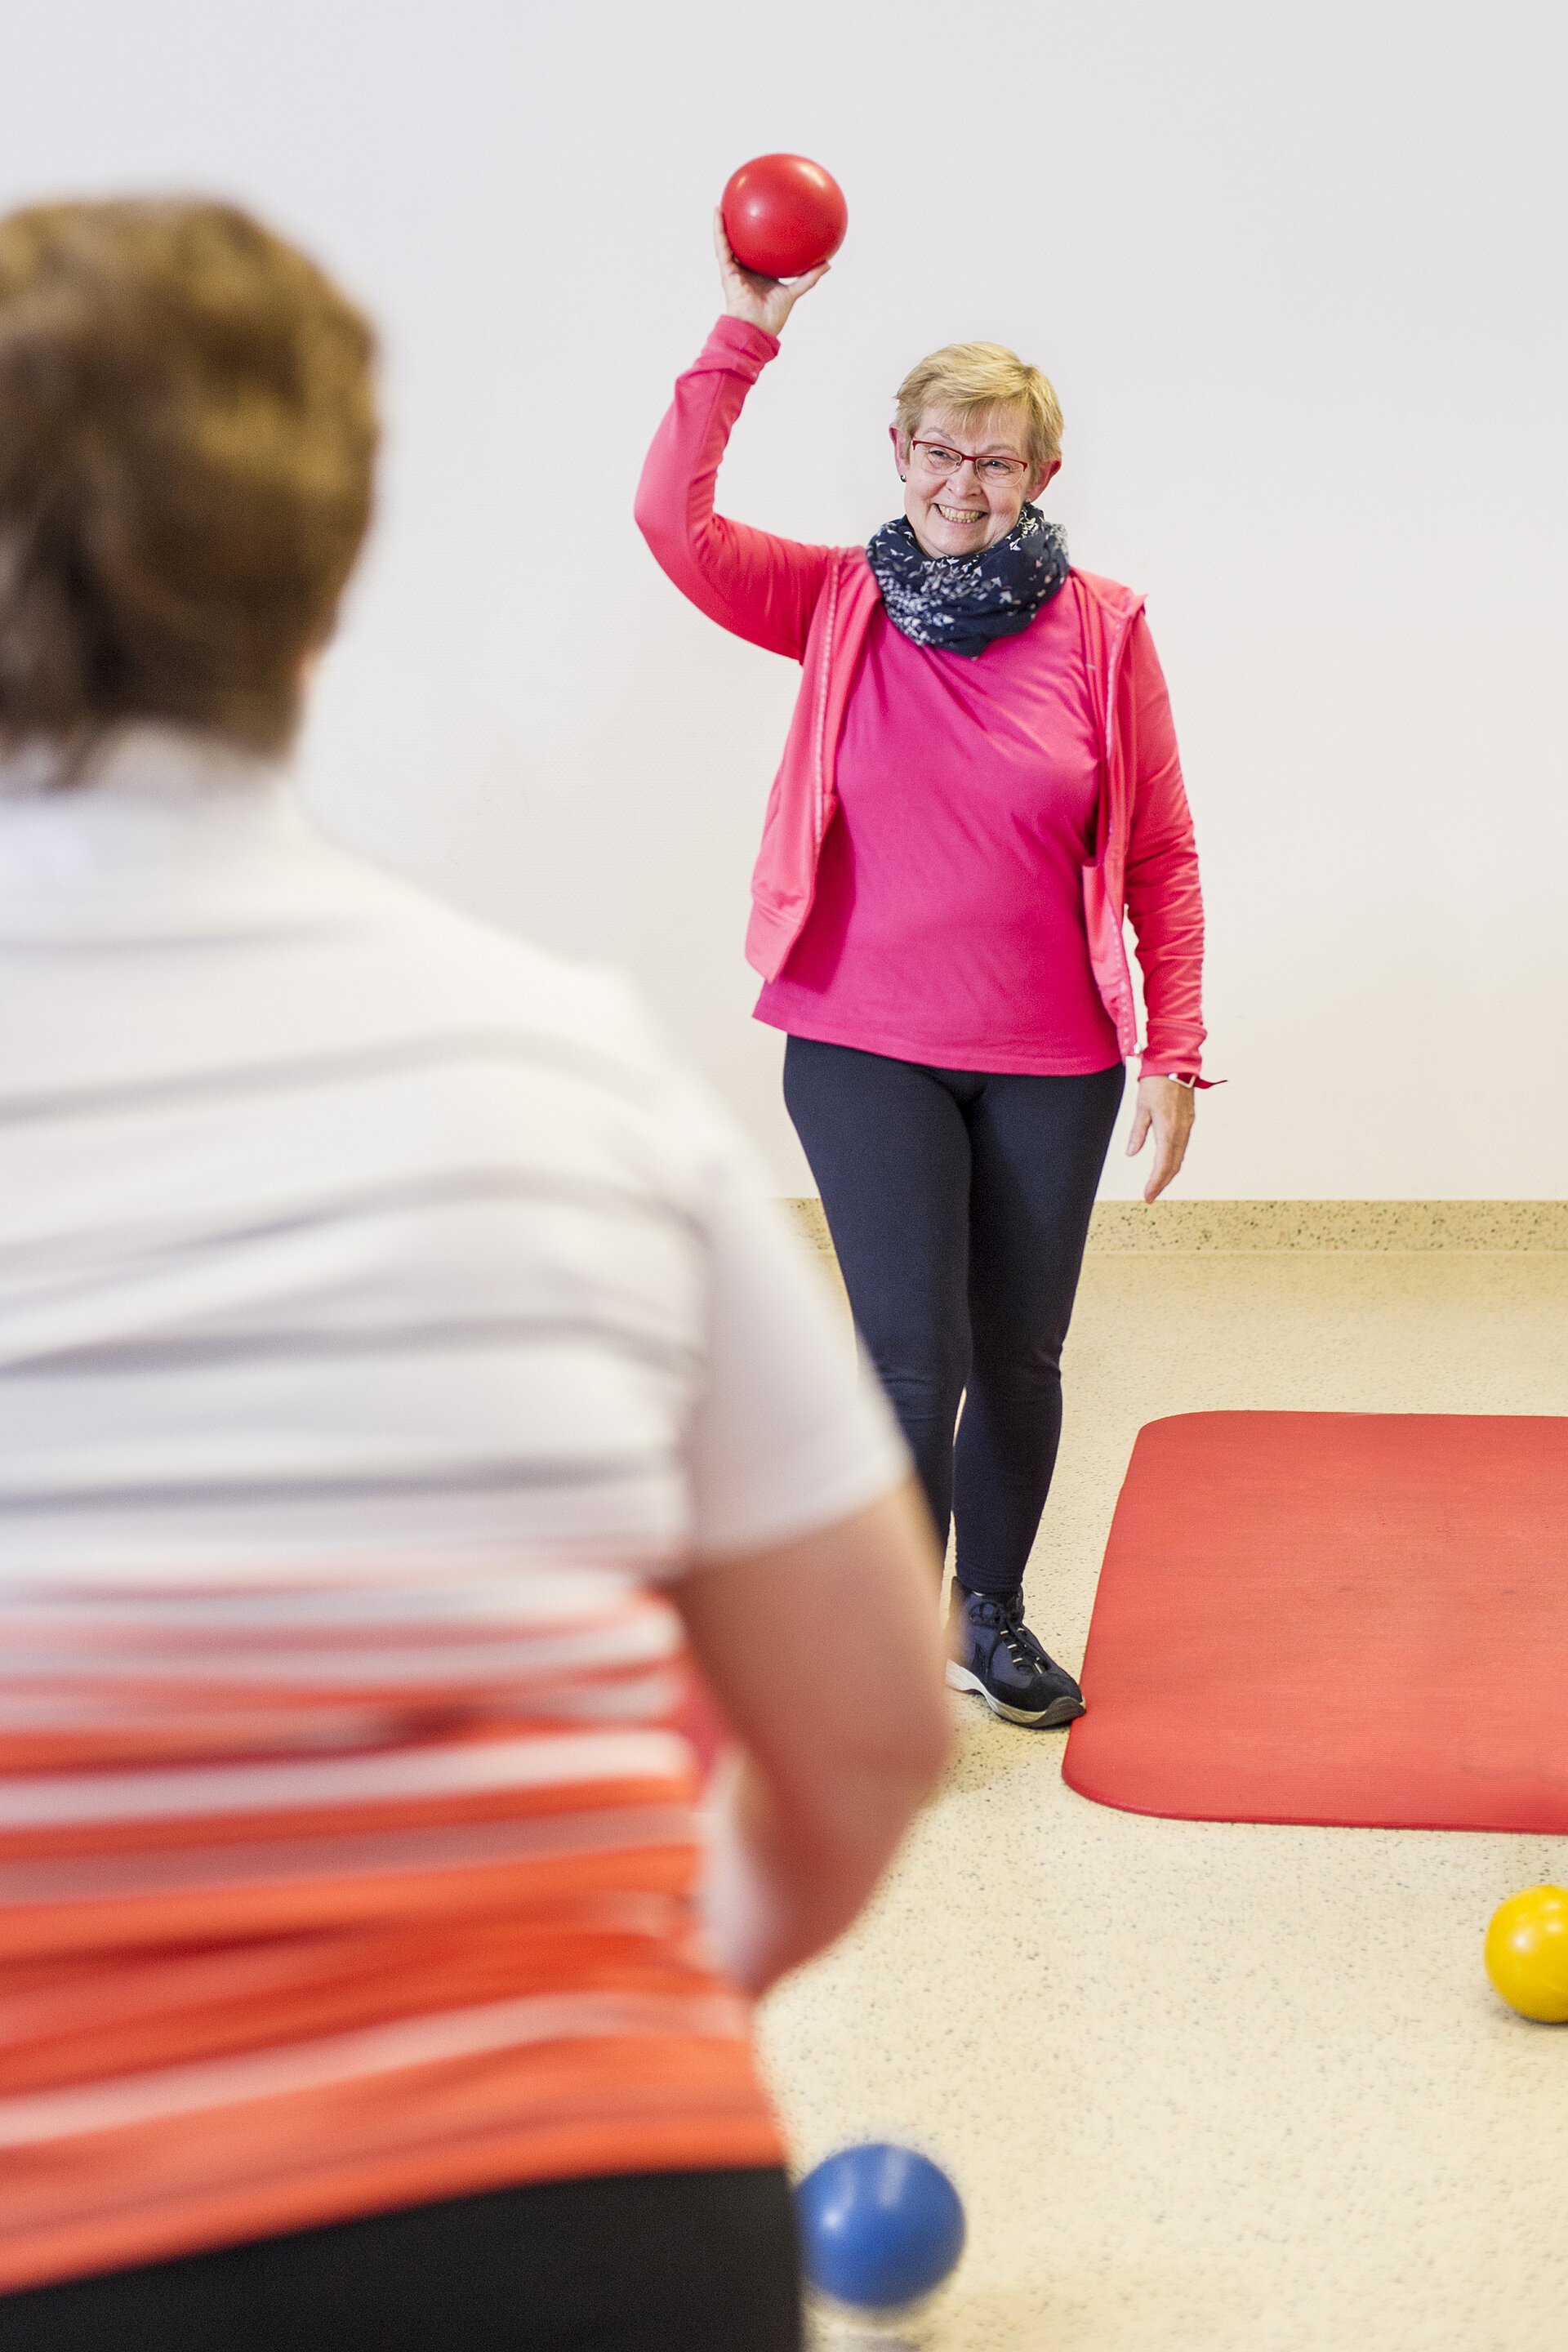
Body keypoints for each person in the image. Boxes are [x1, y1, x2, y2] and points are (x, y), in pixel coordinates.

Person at [0, 198, 951, 2352]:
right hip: (599, 2219)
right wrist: (579, 2026)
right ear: (320, 598)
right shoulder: (580, 1074)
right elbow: (871, 1740)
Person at [635, 220, 1209, 1732]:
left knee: (1021, 1353)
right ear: (897, 452)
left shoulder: (1104, 632)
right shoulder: (833, 600)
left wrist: (1176, 1047)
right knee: (913, 1355)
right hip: (861, 1039)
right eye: (940, 451)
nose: (964, 483)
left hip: (1056, 1055)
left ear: (1042, 478)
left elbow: (1160, 852)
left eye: (998, 460)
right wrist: (744, 329)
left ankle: (992, 1619)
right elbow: (670, 524)